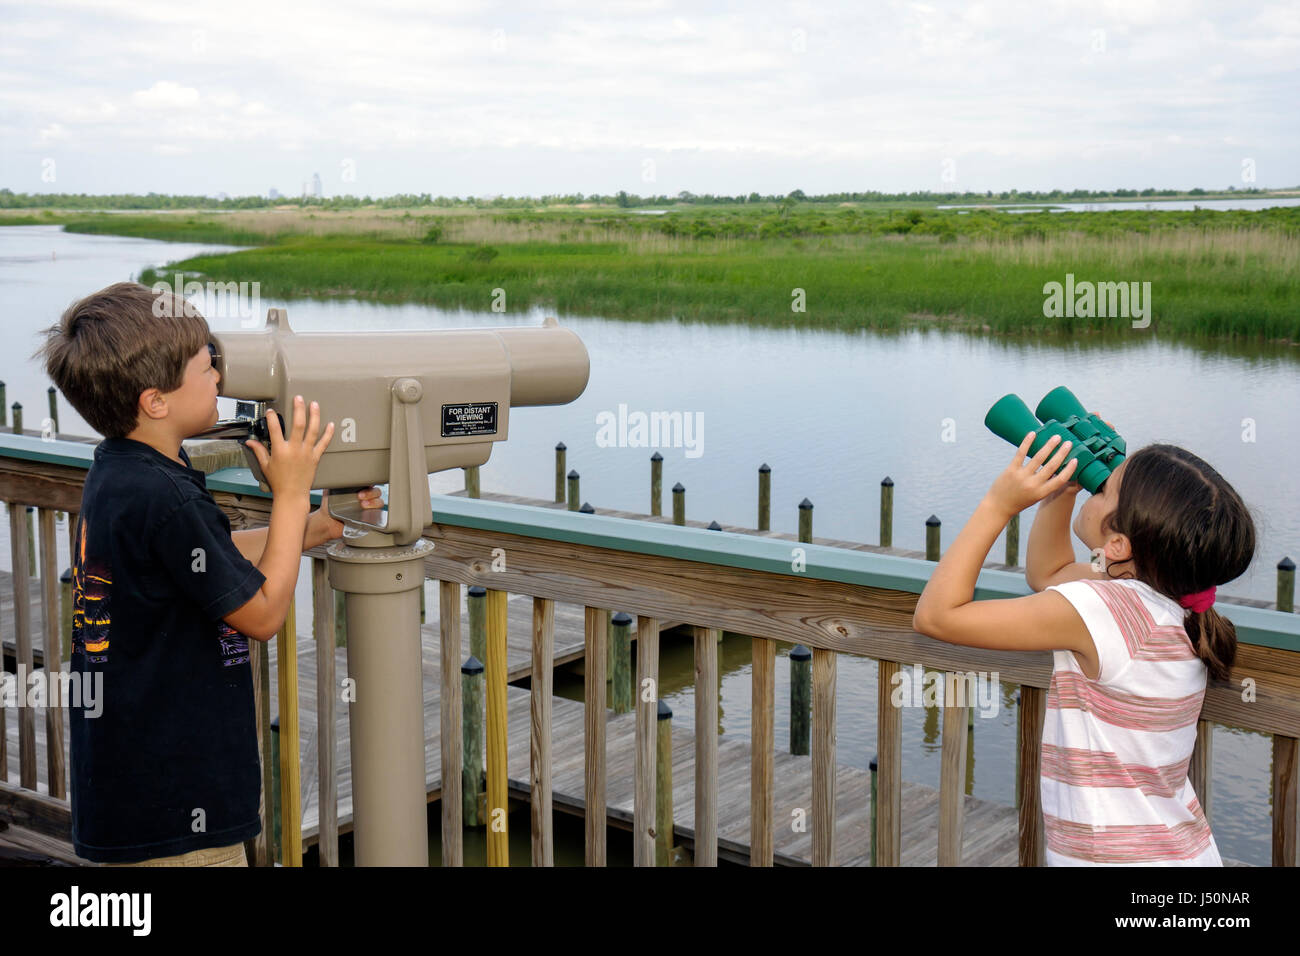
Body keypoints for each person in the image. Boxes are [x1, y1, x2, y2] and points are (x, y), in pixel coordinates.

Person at [36, 281, 381, 866]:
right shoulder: (168, 496)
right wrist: (292, 494)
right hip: (178, 812)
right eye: (206, 367)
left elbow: (200, 558)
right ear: (156, 401)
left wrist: (314, 529)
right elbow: (265, 615)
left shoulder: (121, 473)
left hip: (127, 792)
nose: (221, 376)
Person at [912, 430, 1256, 865]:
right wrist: (1064, 490)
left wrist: (997, 505)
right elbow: (1049, 572)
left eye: (1104, 487)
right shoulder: (1165, 604)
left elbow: (935, 615)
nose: (1097, 485)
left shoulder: (1105, 608)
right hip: (1176, 851)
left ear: (1117, 545)